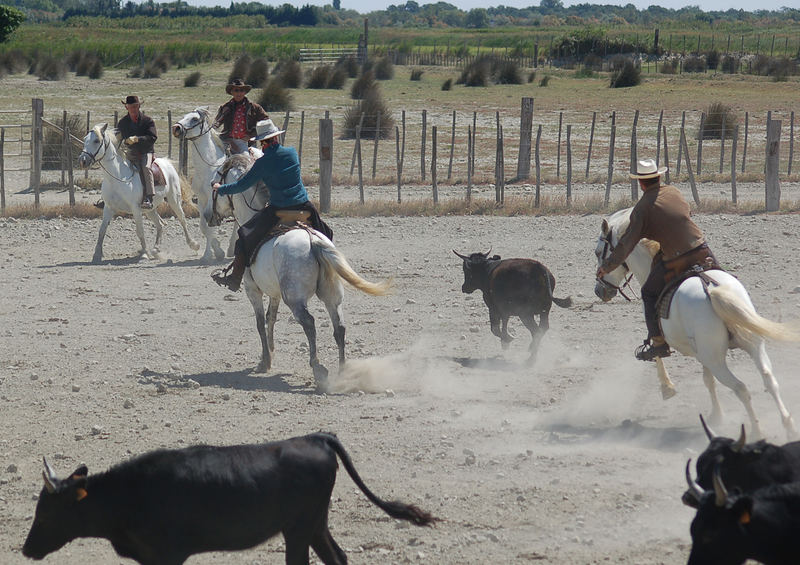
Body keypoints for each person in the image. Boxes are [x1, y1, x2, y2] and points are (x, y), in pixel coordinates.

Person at [596, 158, 719, 362]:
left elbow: (626, 245)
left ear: (641, 183)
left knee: (648, 293)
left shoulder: (642, 209)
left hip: (676, 257)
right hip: (701, 248)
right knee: (720, 276)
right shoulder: (674, 192)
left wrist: (607, 267)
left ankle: (659, 344)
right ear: (659, 177)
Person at [210, 119, 333, 292]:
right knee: (326, 234)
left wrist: (221, 188)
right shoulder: (291, 153)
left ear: (262, 142)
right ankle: (329, 271)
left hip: (278, 210)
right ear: (276, 138)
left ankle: (234, 278)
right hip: (304, 206)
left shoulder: (262, 163)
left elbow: (241, 186)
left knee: (244, 237)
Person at [117, 95, 157, 209]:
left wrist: (137, 139)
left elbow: (153, 137)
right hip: (129, 152)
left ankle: (149, 197)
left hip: (146, 151)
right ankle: (112, 196)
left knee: (145, 168)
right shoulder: (122, 123)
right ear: (126, 107)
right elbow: (119, 138)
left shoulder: (148, 121)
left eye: (135, 106)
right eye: (131, 107)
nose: (133, 109)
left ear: (139, 106)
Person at [212, 78, 269, 155]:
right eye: (236, 90)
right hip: (227, 140)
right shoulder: (226, 107)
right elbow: (216, 123)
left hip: (245, 142)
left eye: (241, 90)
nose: (239, 93)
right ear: (231, 92)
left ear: (245, 92)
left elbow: (266, 122)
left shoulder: (255, 108)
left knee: (245, 161)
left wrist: (251, 135)